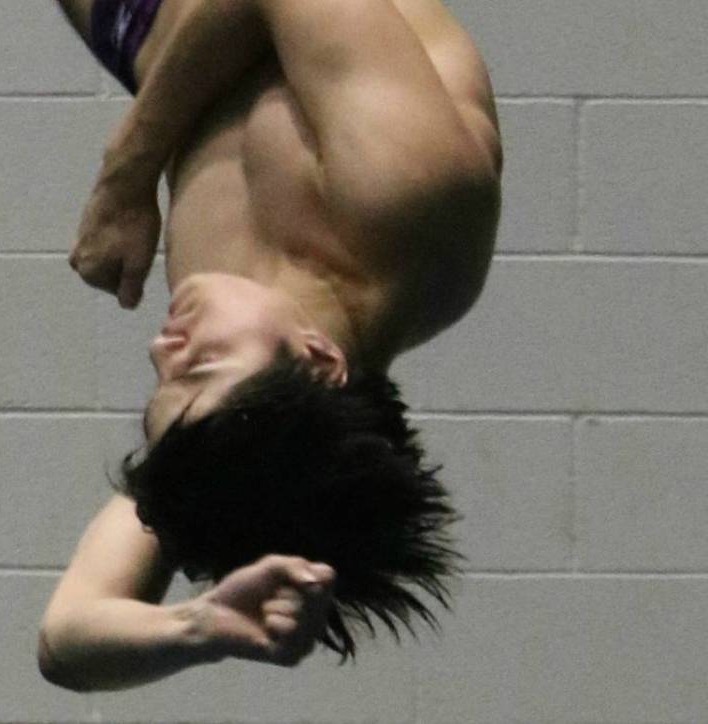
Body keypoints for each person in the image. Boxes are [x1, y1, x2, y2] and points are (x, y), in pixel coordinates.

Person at [38, 0, 503, 691]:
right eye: (201, 364)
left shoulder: (231, 452)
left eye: (164, 380)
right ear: (319, 361)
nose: (163, 349)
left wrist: (200, 626)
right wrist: (126, 176)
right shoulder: (412, 206)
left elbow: (66, 637)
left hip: (148, 32)